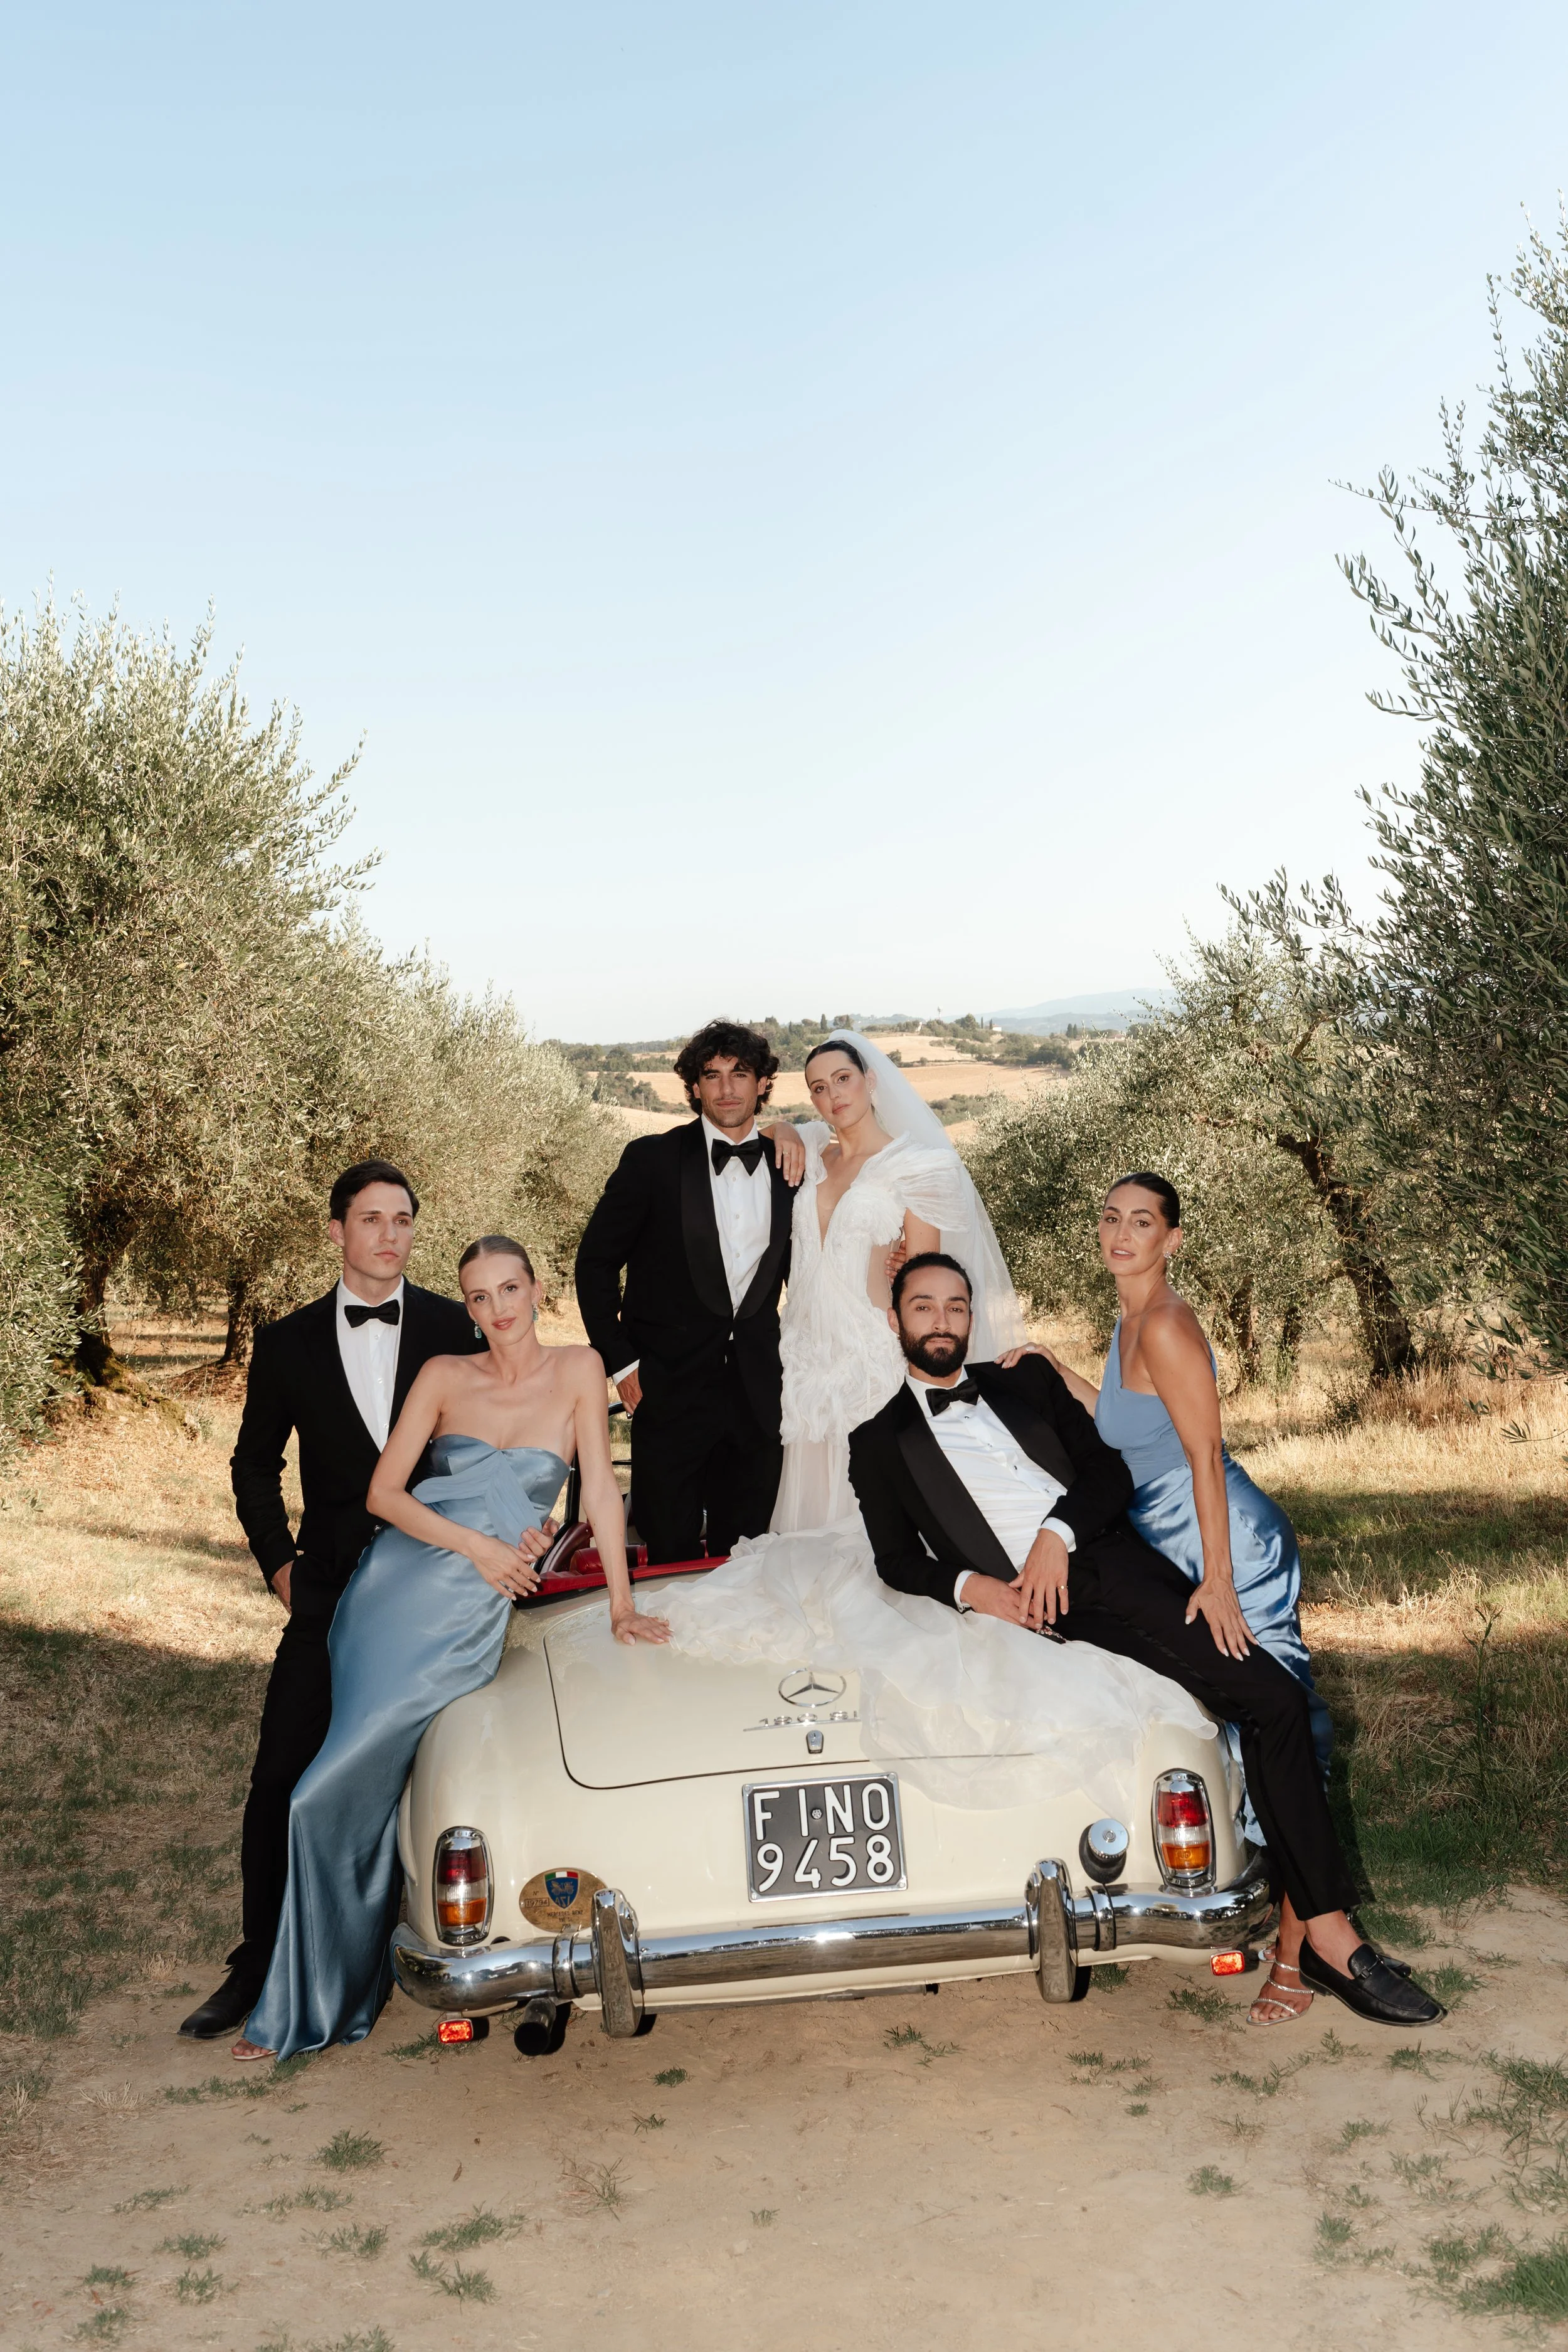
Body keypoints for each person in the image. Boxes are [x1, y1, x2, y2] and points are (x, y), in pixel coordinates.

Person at [847, 1253, 1443, 2030]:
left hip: (1117, 1567)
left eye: (956, 1306)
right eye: (924, 1306)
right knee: (1264, 1707)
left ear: (971, 1317)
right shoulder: (876, 1440)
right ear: (895, 1319)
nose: (942, 1321)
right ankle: (1325, 1942)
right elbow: (895, 1560)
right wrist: (976, 1589)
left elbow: (1108, 1472)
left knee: (1272, 1700)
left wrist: (1057, 1534)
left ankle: (1321, 1939)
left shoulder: (1024, 1381)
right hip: (1039, 1613)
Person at [233, 1236, 669, 2063]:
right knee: (324, 1790)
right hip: (397, 1592)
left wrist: (620, 1604)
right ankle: (305, 1998)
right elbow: (382, 1494)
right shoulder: (443, 1375)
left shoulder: (581, 1369)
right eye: (478, 1296)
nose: (497, 1308)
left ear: (536, 1289)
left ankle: (323, 1992)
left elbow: (603, 1496)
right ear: (466, 1307)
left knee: (338, 1790)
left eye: (509, 1289)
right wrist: (481, 1547)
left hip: (473, 1608)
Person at [1000, 1171, 1333, 2026]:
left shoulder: (1167, 1324)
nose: (1122, 1234)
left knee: (1286, 1732)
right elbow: (1125, 1429)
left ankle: (1300, 1961)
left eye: (1142, 1222)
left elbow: (1203, 1455)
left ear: (1172, 1238)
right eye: (1111, 1218)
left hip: (1228, 1548)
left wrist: (1218, 1578)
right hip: (1177, 1547)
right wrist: (1054, 1368)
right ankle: (1299, 1930)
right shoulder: (1129, 1320)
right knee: (1247, 1734)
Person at [179, 1160, 489, 2043]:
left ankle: (423, 1947)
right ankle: (258, 1960)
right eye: (371, 1219)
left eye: (403, 1220)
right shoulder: (288, 1342)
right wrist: (280, 1565)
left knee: (442, 1772)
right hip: (329, 1592)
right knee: (281, 1774)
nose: (390, 1235)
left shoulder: (454, 1326)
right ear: (337, 1232)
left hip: (436, 1594)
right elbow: (253, 1465)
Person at [761, 1033, 1026, 1529]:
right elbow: (769, 1130)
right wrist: (784, 1129)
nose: (833, 1095)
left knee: (871, 1508)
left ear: (870, 1081)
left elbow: (926, 1281)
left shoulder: (917, 1166)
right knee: (810, 1513)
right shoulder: (812, 1150)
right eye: (818, 1088)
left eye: (843, 1079)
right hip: (807, 1354)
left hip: (871, 1355)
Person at [574, 1020, 805, 1564]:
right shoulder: (650, 1160)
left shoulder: (791, 1167)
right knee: (669, 1556)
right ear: (695, 1087)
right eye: (712, 1075)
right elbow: (595, 1263)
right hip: (667, 1392)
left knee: (748, 1558)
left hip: (758, 1398)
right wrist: (621, 1361)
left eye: (739, 1074)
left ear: (763, 1084)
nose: (726, 1088)